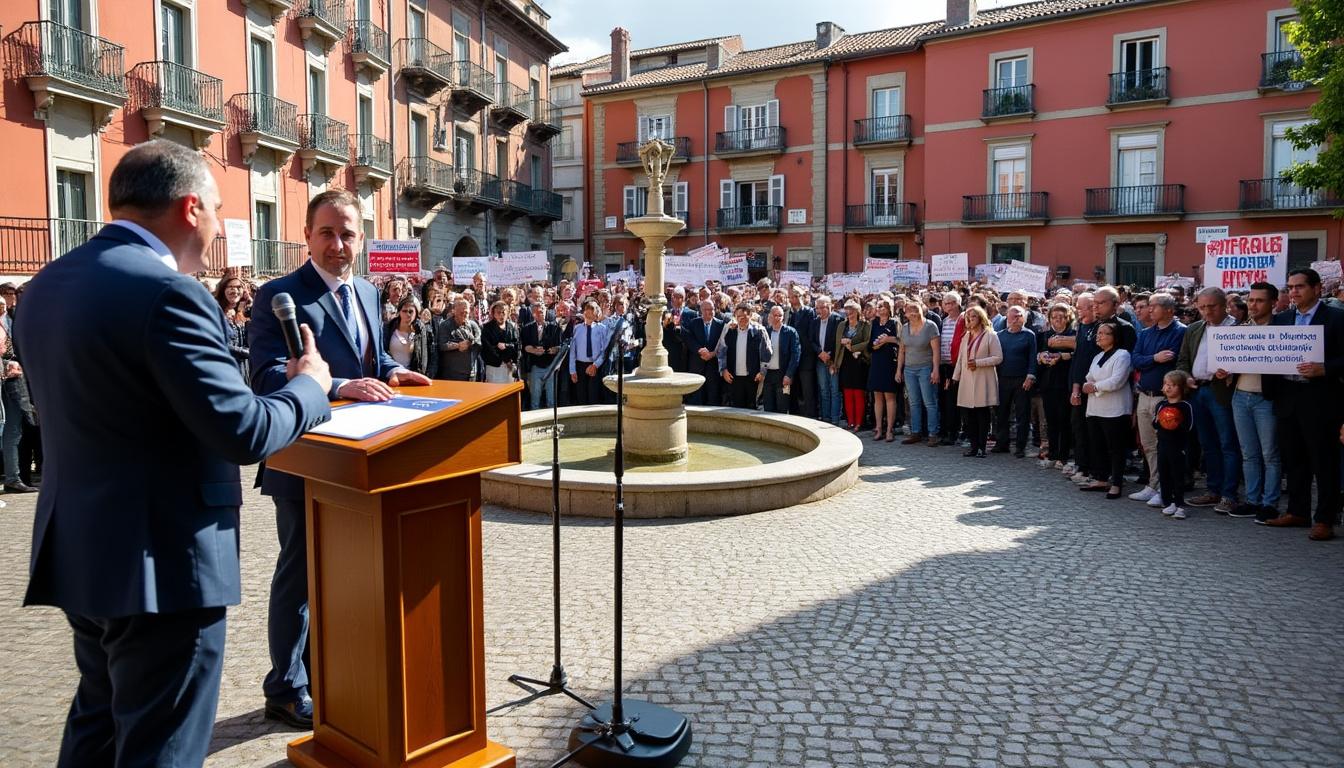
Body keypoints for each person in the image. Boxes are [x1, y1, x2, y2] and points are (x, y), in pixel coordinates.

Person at [18, 140, 333, 766]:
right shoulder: (171, 293)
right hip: (162, 562)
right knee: (161, 745)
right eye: (216, 210)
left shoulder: (48, 284)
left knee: (98, 728)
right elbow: (242, 430)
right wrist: (309, 387)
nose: (217, 228)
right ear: (191, 209)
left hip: (82, 548)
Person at [249, 189, 432, 729]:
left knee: (345, 575)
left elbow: (368, 359)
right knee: (300, 575)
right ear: (307, 235)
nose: (337, 244)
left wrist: (391, 371)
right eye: (326, 233)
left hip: (362, 461)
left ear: (361, 239)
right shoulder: (279, 296)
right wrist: (339, 385)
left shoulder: (370, 293)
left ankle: (325, 671)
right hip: (304, 459)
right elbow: (265, 375)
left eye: (347, 234)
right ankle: (285, 687)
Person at [1263, 268, 1344, 541]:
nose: (1294, 292)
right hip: (1287, 396)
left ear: (1317, 288)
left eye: (1299, 286)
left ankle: (1324, 519)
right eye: (1290, 287)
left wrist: (1325, 368)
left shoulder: (1336, 318)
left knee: (1324, 460)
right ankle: (1297, 511)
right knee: (1294, 458)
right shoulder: (1281, 319)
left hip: (1320, 398)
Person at [1176, 287, 1240, 513]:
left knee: (1228, 444)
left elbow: (1248, 361)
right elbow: (1183, 360)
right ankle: (1213, 490)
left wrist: (1232, 371)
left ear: (1225, 306)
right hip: (1198, 390)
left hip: (1222, 391)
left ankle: (1229, 494)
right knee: (1208, 444)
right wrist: (1186, 377)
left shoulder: (1238, 329)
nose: (1207, 311)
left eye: (1212, 306)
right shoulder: (1194, 328)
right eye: (1202, 307)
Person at [1219, 282, 1280, 520]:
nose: (1253, 305)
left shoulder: (1282, 329)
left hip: (1267, 398)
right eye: (1251, 300)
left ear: (1273, 303)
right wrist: (1223, 371)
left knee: (1270, 454)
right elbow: (1228, 364)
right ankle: (1252, 500)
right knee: (1249, 453)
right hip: (1240, 396)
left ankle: (1270, 503)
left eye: (1259, 300)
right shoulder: (1239, 330)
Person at [1128, 292, 1186, 507]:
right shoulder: (1145, 333)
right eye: (1149, 306)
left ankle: (1166, 489)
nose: (1149, 309)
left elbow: (1171, 359)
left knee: (1166, 447)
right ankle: (1154, 484)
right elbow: (1136, 359)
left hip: (1166, 399)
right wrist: (1154, 358)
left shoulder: (1180, 331)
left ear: (1169, 309)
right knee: (1148, 445)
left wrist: (1150, 360)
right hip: (1145, 395)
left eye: (1154, 306)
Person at [1081, 322, 1133, 499]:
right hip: (1095, 408)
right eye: (1098, 333)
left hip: (1114, 409)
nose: (1099, 336)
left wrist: (1095, 387)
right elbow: (1089, 376)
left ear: (1115, 337)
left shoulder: (1122, 355)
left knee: (1115, 447)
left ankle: (1116, 483)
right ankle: (1101, 478)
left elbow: (1117, 381)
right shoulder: (1098, 356)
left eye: (1104, 333)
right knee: (1098, 445)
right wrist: (1088, 385)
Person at [953, 304, 1002, 458]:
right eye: (967, 317)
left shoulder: (991, 335)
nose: (970, 320)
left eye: (973, 316)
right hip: (967, 379)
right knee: (969, 416)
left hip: (983, 379)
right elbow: (961, 358)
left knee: (982, 414)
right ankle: (973, 447)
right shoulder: (966, 336)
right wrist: (955, 377)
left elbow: (998, 357)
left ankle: (982, 447)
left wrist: (979, 363)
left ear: (981, 318)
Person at [993, 306, 1038, 457]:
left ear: (1024, 318)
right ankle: (1002, 443)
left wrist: (1030, 376)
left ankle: (1020, 446)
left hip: (1022, 379)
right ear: (1007, 317)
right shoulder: (1000, 335)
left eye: (1019, 316)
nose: (1015, 319)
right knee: (1002, 413)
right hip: (1003, 378)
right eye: (1013, 316)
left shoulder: (1029, 335)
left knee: (1022, 414)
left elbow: (1032, 357)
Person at [1035, 302, 1075, 469]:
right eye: (1054, 317)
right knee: (1050, 420)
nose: (1057, 320)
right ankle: (1052, 454)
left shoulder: (1073, 335)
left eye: (1061, 317)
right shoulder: (1043, 335)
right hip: (1048, 383)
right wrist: (1041, 357)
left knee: (1064, 420)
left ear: (1068, 318)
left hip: (1065, 382)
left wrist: (1062, 356)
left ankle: (1063, 456)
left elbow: (1077, 355)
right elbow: (1036, 355)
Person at [897, 299, 941, 446]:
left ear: (922, 310)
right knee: (913, 402)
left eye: (915, 309)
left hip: (926, 368)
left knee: (929, 402)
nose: (913, 313)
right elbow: (902, 351)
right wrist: (899, 370)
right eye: (909, 311)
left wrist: (935, 370)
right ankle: (915, 432)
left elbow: (936, 351)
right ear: (905, 314)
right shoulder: (904, 328)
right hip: (909, 369)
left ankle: (933, 434)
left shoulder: (930, 326)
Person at [1154, 370, 1195, 519]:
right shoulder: (1161, 404)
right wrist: (1160, 421)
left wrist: (1175, 421)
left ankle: (1180, 504)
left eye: (1173, 385)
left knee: (1177, 475)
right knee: (1164, 474)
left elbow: (1190, 426)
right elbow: (1155, 424)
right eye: (1166, 384)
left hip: (1178, 447)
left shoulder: (1185, 406)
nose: (1168, 387)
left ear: (1182, 387)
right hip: (1162, 445)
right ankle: (1168, 502)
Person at [718, 303, 773, 410]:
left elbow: (767, 353)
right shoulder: (729, 330)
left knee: (752, 409)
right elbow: (722, 351)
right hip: (733, 377)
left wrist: (762, 372)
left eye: (744, 317)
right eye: (738, 317)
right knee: (736, 409)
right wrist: (723, 370)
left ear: (750, 315)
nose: (741, 319)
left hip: (753, 377)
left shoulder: (759, 331)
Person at [834, 301, 871, 431]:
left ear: (858, 312)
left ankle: (859, 423)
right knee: (847, 392)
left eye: (852, 310)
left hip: (860, 362)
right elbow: (837, 344)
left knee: (858, 393)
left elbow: (867, 341)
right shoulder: (842, 325)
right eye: (847, 310)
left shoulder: (865, 325)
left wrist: (852, 346)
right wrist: (835, 363)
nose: (849, 313)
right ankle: (850, 422)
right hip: (845, 361)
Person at [867, 299, 900, 440]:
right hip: (876, 361)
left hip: (889, 362)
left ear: (889, 308)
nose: (880, 309)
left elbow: (901, 341)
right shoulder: (873, 323)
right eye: (879, 306)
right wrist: (877, 345)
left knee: (889, 397)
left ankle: (890, 430)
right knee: (877, 397)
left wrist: (887, 339)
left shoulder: (894, 323)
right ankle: (879, 428)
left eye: (883, 306)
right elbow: (869, 345)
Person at [382, 296, 436, 378]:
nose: (408, 314)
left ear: (416, 313)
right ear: (399, 312)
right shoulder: (389, 328)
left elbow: (429, 356)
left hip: (412, 376)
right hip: (392, 375)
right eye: (404, 311)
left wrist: (427, 375)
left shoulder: (421, 331)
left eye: (411, 311)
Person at [522, 301, 562, 410]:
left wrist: (554, 350)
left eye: (543, 311)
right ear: (533, 314)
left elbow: (560, 346)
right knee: (535, 398)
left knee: (551, 399)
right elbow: (524, 347)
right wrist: (534, 350)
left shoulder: (555, 327)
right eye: (539, 312)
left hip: (551, 366)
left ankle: (551, 418)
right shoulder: (527, 329)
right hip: (535, 366)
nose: (542, 313)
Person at [937, 292, 965, 447]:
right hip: (944, 365)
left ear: (958, 303)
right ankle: (945, 430)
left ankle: (953, 432)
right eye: (946, 303)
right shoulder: (944, 321)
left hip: (958, 366)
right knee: (944, 400)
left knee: (953, 401)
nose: (949, 306)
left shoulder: (963, 319)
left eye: (952, 303)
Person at [685, 299, 726, 406]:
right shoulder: (693, 323)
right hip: (697, 365)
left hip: (713, 366)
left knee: (713, 396)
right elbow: (689, 339)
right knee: (697, 397)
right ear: (701, 311)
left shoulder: (721, 324)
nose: (710, 312)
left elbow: (723, 344)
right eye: (707, 309)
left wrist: (712, 354)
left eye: (712, 309)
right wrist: (700, 350)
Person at [569, 300, 610, 406]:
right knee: (581, 396)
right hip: (580, 365)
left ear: (596, 314)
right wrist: (572, 370)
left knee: (593, 396)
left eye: (592, 312)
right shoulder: (577, 328)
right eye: (587, 311)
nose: (588, 314)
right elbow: (573, 350)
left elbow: (604, 350)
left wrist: (595, 365)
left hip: (595, 365)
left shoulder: (601, 328)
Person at [762, 305, 800, 414]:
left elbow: (795, 354)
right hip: (768, 376)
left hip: (783, 375)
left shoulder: (791, 332)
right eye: (775, 315)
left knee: (782, 407)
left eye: (780, 315)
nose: (778, 318)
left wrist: (789, 374)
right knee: (768, 408)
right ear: (770, 316)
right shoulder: (765, 332)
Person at [434, 298, 481, 382]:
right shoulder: (445, 325)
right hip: (452, 373)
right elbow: (442, 345)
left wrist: (471, 342)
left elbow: (479, 340)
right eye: (461, 312)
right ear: (454, 311)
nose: (464, 315)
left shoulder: (473, 325)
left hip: (471, 372)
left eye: (466, 312)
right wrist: (458, 346)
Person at [787, 288, 818, 417]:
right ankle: (794, 415)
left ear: (802, 296)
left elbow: (811, 335)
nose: (794, 299)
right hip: (791, 357)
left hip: (806, 356)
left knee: (807, 389)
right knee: (793, 390)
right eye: (791, 296)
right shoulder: (788, 313)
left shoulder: (809, 312)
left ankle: (810, 416)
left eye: (796, 296)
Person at [813, 296, 842, 425]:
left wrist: (830, 356)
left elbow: (839, 341)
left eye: (822, 307)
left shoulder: (838, 320)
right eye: (817, 308)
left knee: (834, 390)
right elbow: (811, 340)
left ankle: (835, 419)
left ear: (830, 306)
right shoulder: (815, 321)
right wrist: (820, 352)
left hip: (833, 360)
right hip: (820, 360)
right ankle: (826, 418)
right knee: (824, 390)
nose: (820, 310)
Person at [480, 300, 520, 383]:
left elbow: (516, 344)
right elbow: (489, 348)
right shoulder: (487, 328)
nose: (501, 315)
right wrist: (505, 360)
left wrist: (507, 347)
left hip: (510, 367)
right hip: (494, 366)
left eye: (503, 312)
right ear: (493, 314)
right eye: (498, 312)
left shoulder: (512, 326)